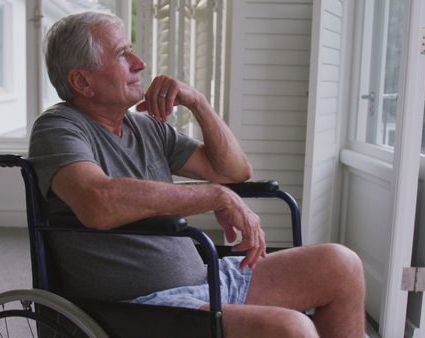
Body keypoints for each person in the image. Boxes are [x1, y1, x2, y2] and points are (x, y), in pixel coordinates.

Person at [29, 11, 366, 338]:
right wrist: (212, 195)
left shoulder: (146, 128)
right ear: (82, 81)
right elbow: (96, 202)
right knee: (291, 328)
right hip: (142, 306)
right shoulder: (59, 128)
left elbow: (233, 171)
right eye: (122, 54)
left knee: (341, 265)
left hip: (206, 279)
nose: (140, 63)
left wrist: (198, 102)